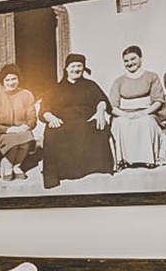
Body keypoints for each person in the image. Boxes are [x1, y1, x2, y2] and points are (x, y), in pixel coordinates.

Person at [40, 53, 113, 188]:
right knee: (51, 132)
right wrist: (50, 117)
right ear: (67, 69)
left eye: (79, 66)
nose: (76, 69)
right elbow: (45, 108)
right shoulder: (56, 88)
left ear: (83, 68)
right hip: (63, 123)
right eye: (73, 66)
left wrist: (100, 111)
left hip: (86, 122)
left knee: (100, 126)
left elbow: (102, 100)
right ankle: (56, 175)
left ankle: (98, 169)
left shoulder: (90, 85)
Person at [108, 45, 166, 168]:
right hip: (124, 113)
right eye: (126, 61)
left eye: (133, 59)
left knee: (146, 122)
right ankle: (123, 160)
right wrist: (125, 115)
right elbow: (112, 106)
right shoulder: (119, 81)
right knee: (119, 123)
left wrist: (143, 113)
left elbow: (158, 101)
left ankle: (148, 159)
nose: (130, 63)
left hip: (147, 112)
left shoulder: (152, 77)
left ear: (141, 59)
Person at [0, 66, 40, 182]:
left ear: (19, 79)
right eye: (7, 80)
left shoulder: (26, 94)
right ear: (3, 82)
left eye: (14, 79)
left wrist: (27, 126)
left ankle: (17, 165)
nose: (11, 83)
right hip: (4, 132)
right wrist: (8, 130)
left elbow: (32, 117)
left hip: (22, 129)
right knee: (13, 142)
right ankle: (8, 164)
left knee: (26, 138)